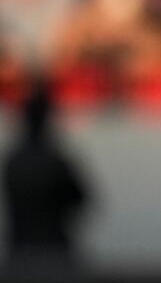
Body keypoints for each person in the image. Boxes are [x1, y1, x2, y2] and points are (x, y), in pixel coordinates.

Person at [2, 78, 94, 270]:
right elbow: (82, 199)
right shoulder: (55, 161)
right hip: (54, 248)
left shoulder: (14, 161)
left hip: (20, 249)